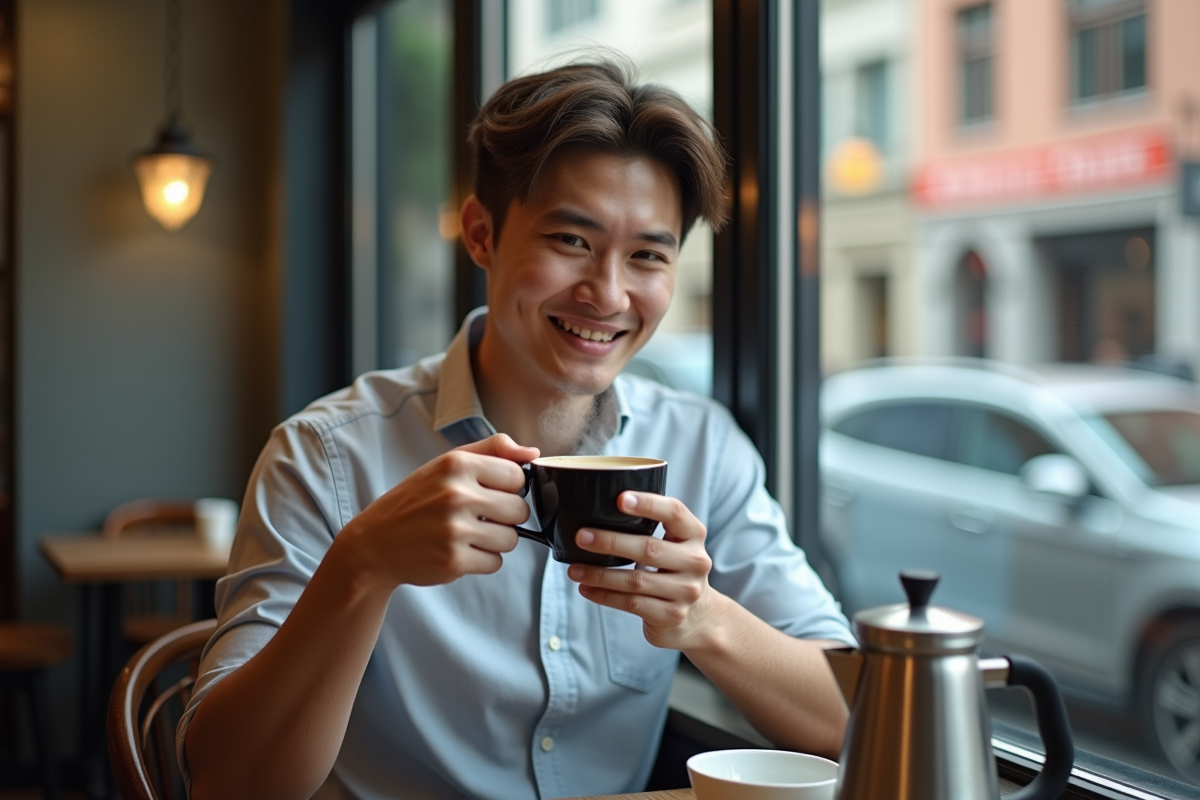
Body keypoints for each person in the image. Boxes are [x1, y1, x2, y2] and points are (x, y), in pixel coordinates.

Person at [179, 59, 854, 800]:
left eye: (648, 256)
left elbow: (847, 722)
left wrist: (704, 619)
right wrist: (363, 565)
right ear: (481, 235)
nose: (607, 293)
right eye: (571, 241)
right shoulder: (325, 457)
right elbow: (226, 783)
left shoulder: (703, 447)